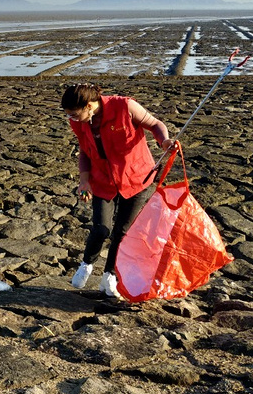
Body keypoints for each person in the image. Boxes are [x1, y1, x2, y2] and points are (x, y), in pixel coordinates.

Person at [62, 83, 175, 297]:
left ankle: (110, 276)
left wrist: (164, 141)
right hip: (102, 181)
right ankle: (86, 264)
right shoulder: (79, 123)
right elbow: (85, 152)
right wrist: (84, 181)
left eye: (75, 115)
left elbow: (155, 124)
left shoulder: (125, 106)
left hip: (137, 178)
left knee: (122, 233)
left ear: (88, 105)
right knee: (101, 228)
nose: (73, 120)